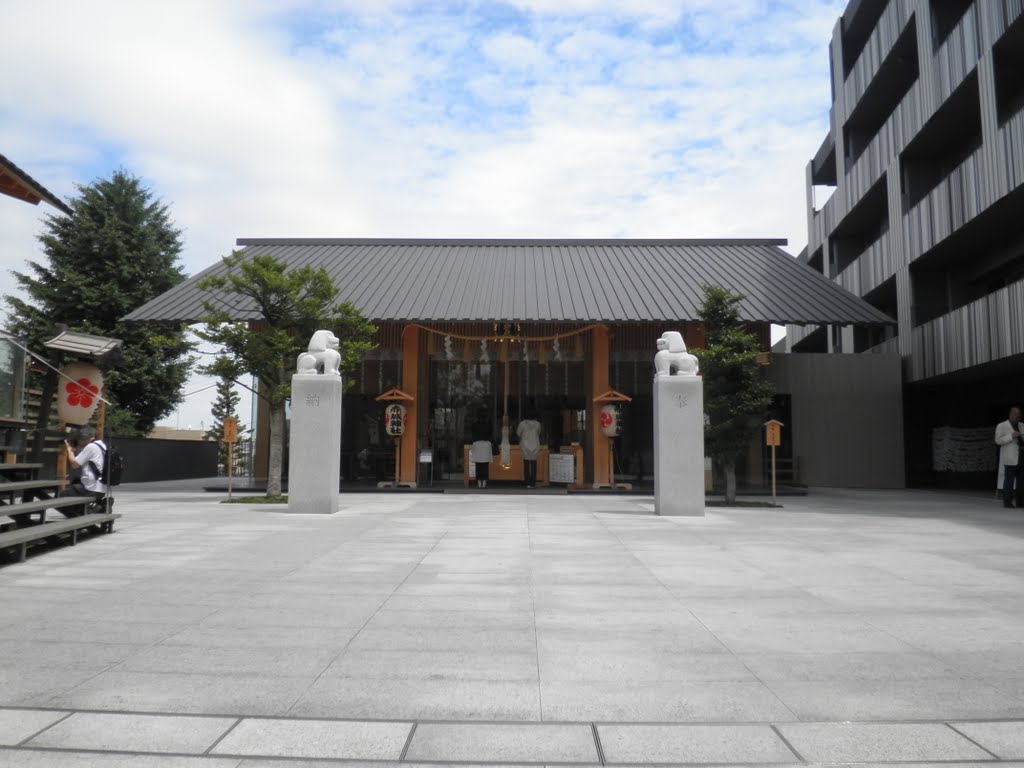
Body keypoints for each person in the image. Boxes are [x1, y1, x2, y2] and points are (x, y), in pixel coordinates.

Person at [63, 426, 108, 513]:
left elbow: (74, 465)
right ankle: (95, 508)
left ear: (85, 439)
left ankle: (79, 515)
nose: (79, 442)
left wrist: (70, 450)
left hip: (91, 488)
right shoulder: (101, 445)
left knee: (63, 495)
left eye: (79, 440)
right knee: (75, 483)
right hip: (102, 487)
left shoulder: (90, 447)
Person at [995, 406, 1024, 508]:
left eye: (1019, 415)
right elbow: (998, 441)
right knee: (1009, 482)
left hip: (1021, 457)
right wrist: (1011, 436)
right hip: (1010, 458)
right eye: (1016, 414)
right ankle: (1007, 502)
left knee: (1021, 483)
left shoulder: (1022, 425)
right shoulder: (1002, 426)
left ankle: (1021, 503)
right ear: (1010, 414)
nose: (1018, 416)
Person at [517, 412, 542, 488]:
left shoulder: (522, 423)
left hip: (525, 446)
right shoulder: (538, 424)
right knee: (534, 464)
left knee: (526, 464)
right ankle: (533, 482)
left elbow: (518, 433)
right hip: (535, 445)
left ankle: (527, 482)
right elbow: (539, 433)